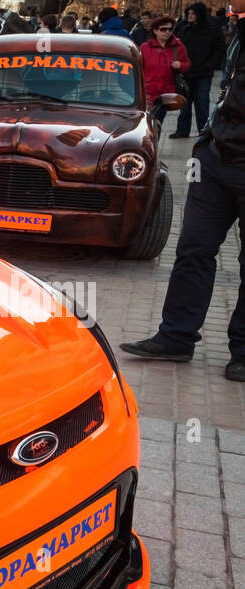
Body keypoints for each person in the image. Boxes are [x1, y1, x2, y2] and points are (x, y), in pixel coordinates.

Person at [123, 0, 245, 379]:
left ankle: (242, 351)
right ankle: (176, 336)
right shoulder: (236, 32)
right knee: (193, 248)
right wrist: (207, 141)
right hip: (215, 160)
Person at [172, 3, 227, 137]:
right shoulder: (184, 30)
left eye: (193, 14)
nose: (190, 16)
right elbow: (175, 47)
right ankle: (182, 130)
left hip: (203, 73)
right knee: (184, 104)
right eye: (189, 13)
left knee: (202, 103)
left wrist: (210, 65)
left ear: (199, 15)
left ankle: (204, 132)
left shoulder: (212, 30)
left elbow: (220, 49)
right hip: (186, 73)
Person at [142, 16, 189, 127]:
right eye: (163, 29)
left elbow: (187, 64)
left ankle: (155, 141)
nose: (167, 32)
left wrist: (180, 65)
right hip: (147, 93)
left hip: (166, 94)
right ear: (155, 30)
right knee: (147, 123)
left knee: (157, 123)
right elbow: (138, 68)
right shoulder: (145, 47)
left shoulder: (178, 46)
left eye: (170, 29)